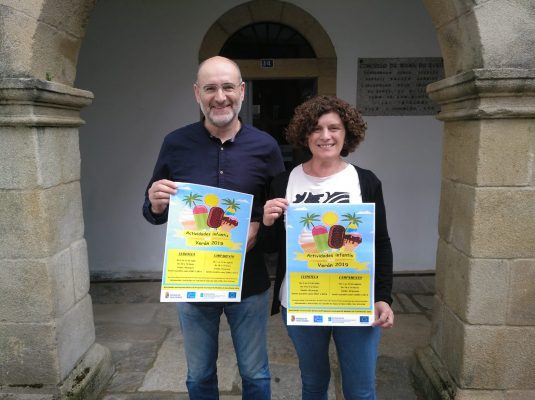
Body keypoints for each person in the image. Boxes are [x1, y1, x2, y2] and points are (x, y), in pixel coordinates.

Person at [142, 56, 285, 399]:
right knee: (199, 376)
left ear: (242, 91)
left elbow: (280, 219)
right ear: (197, 93)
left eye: (227, 87)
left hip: (249, 282)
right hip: (193, 281)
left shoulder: (265, 147)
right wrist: (155, 202)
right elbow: (153, 210)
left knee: (255, 374)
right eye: (210, 88)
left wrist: (260, 226)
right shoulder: (175, 143)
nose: (220, 97)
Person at [262, 95, 394, 400]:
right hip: (302, 300)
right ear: (304, 134)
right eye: (316, 128)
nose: (325, 136)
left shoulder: (365, 181)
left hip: (355, 299)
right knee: (313, 384)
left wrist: (383, 297)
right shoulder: (283, 182)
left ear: (347, 133)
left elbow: (381, 243)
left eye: (334, 128)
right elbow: (271, 249)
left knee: (361, 390)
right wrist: (267, 222)